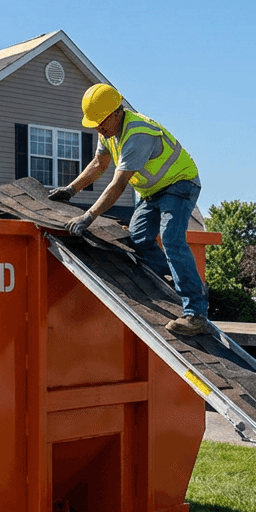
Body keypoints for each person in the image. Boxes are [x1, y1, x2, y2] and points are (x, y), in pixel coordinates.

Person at [48, 83, 209, 337]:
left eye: (101, 123)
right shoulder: (108, 131)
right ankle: (170, 279)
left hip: (180, 184)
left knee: (171, 238)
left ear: (116, 113)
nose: (98, 128)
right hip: (152, 191)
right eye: (95, 124)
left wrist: (88, 216)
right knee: (138, 237)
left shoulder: (137, 135)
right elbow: (99, 164)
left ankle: (196, 313)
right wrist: (70, 190)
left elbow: (118, 185)